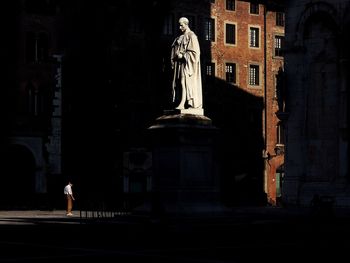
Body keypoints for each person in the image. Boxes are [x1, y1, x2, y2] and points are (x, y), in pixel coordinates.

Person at [171, 17, 202, 110]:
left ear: (186, 24)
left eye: (181, 25)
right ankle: (179, 101)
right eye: (179, 25)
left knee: (183, 82)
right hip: (179, 65)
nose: (180, 27)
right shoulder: (179, 37)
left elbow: (195, 53)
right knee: (178, 83)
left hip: (187, 65)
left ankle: (183, 103)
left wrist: (183, 55)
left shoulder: (192, 36)